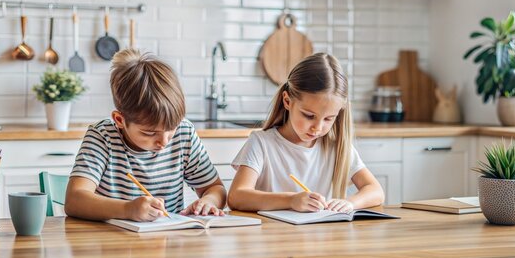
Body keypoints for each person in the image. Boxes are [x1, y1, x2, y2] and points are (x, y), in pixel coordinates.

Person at [65, 50, 226, 222]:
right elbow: (75, 201)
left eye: (171, 128)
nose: (163, 142)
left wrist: (208, 201)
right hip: (111, 241)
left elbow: (216, 188)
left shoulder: (184, 133)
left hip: (168, 240)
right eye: (149, 133)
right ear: (120, 120)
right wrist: (127, 209)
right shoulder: (103, 137)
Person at [228, 53, 384, 213]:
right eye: (309, 116)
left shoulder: (337, 147)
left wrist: (351, 203)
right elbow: (236, 197)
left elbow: (375, 191)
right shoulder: (261, 143)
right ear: (287, 101)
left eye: (329, 119)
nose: (317, 128)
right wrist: (291, 200)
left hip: (323, 236)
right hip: (273, 235)